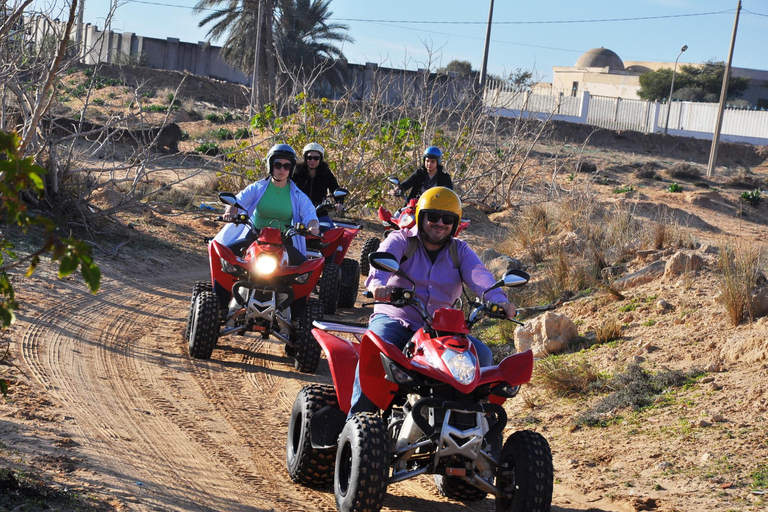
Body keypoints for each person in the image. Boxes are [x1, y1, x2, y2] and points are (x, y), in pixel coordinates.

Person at [349, 187, 516, 414]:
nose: (440, 223)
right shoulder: (401, 240)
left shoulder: (461, 251)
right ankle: (357, 420)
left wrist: (499, 300)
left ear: (455, 224)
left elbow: (480, 277)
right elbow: (379, 269)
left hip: (440, 331)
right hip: (396, 320)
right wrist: (379, 287)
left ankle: (476, 425)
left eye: (447, 219)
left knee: (483, 356)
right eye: (433, 217)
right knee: (377, 348)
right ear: (421, 217)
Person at [213, 143, 319, 319]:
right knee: (224, 258)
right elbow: (238, 202)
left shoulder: (298, 194)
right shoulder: (257, 187)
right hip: (254, 236)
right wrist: (230, 211)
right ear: (271, 165)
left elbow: (310, 213)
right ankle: (218, 308)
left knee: (304, 271)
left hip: (284, 240)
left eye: (287, 166)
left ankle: (299, 321)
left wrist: (313, 225)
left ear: (291, 169)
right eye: (278, 165)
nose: (282, 169)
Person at [292, 142, 344, 229]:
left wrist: (339, 202)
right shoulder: (297, 171)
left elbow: (335, 188)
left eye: (316, 158)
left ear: (320, 159)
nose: (312, 161)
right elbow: (287, 185)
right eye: (309, 158)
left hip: (320, 213)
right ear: (305, 158)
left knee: (329, 231)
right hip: (298, 212)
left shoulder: (325, 172)